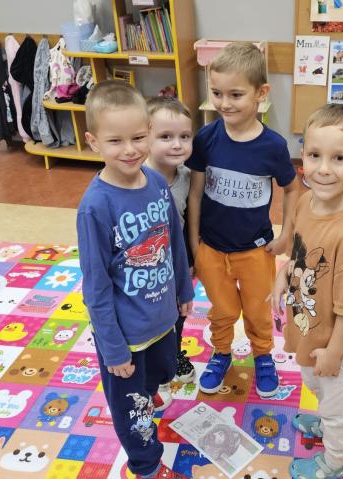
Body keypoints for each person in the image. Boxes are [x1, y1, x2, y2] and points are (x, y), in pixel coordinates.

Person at [76, 80, 193, 479]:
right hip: (124, 335)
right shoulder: (95, 207)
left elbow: (174, 241)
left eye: (138, 137)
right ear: (93, 142)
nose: (130, 150)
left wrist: (183, 289)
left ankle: (149, 388)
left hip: (161, 317)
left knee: (162, 371)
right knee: (134, 411)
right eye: (115, 141)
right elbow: (95, 287)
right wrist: (113, 350)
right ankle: (146, 467)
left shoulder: (157, 182)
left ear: (149, 130)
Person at [186, 42, 300, 398]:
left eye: (235, 94)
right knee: (221, 310)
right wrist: (194, 245)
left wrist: (286, 235)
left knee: (257, 309)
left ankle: (263, 355)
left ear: (261, 93)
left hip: (255, 250)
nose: (224, 103)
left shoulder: (273, 147)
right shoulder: (205, 139)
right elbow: (194, 194)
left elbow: (292, 189)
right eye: (217, 93)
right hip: (211, 249)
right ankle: (221, 353)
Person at [268, 103, 343, 478]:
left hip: (339, 346)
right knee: (314, 383)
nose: (324, 169)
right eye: (315, 155)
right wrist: (283, 275)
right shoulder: (303, 201)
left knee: (338, 409)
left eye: (339, 158)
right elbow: (299, 252)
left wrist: (333, 352)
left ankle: (334, 464)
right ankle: (324, 420)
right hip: (310, 327)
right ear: (303, 156)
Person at [144, 96, 197, 404]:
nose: (177, 145)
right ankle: (155, 370)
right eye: (166, 136)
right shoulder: (138, 177)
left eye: (184, 136)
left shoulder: (188, 177)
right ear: (146, 136)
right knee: (154, 317)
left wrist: (192, 259)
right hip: (146, 267)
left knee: (179, 313)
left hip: (179, 262)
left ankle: (173, 354)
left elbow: (192, 220)